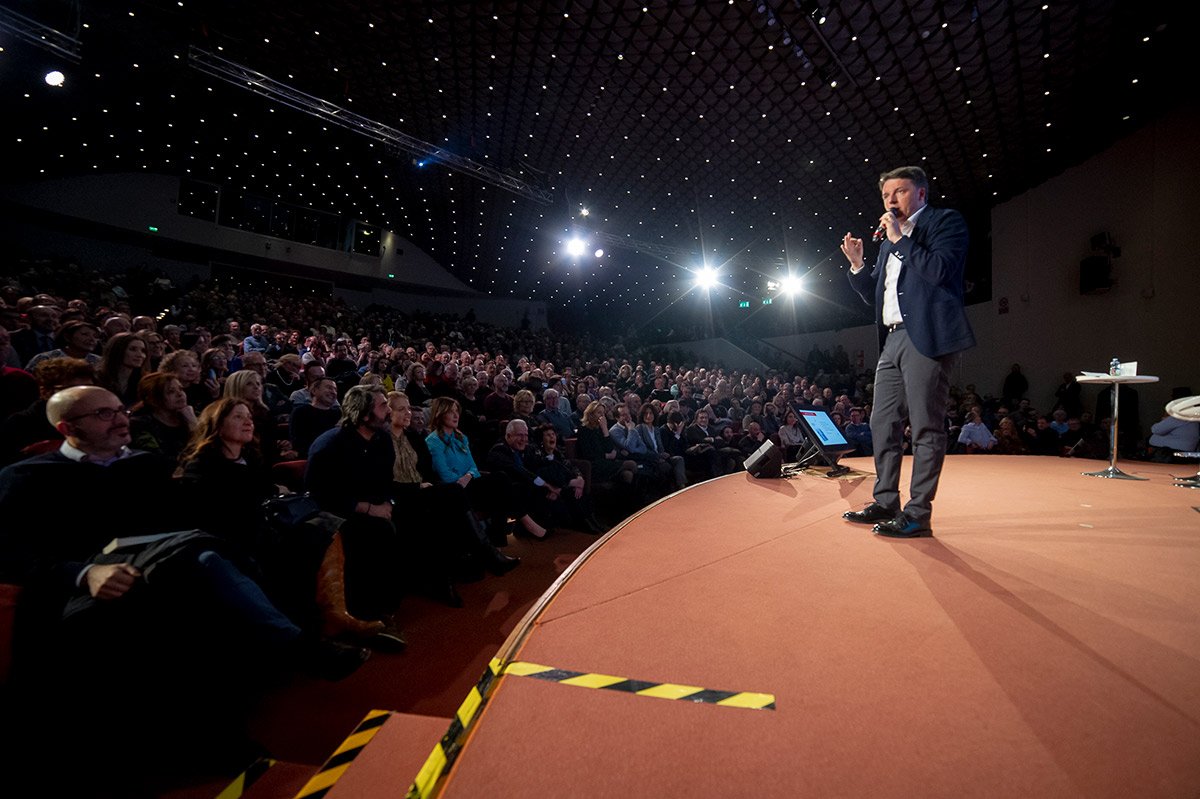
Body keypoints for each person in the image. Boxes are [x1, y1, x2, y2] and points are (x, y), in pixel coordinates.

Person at [841, 165, 974, 538]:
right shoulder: (888, 242)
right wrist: (857, 265)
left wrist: (901, 240)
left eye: (898, 192)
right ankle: (886, 501)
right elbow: (875, 293)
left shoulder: (944, 223)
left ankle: (918, 513)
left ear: (920, 194)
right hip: (893, 340)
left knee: (926, 426)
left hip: (927, 336)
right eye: (886, 195)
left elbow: (941, 270)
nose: (891, 200)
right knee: (882, 423)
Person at [426, 396, 546, 541]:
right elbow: (444, 474)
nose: (456, 415)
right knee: (501, 485)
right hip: (453, 489)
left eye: (457, 411)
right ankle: (520, 526)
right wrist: (463, 478)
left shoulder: (461, 438)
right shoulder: (433, 441)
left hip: (470, 482)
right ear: (440, 414)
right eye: (451, 412)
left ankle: (500, 538)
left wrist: (468, 476)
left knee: (501, 482)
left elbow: (473, 467)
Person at [128, 371, 197, 462]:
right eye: (171, 392)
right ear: (153, 399)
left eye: (181, 389)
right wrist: (195, 429)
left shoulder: (191, 415)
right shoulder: (140, 425)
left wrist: (193, 423)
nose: (180, 394)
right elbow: (160, 461)